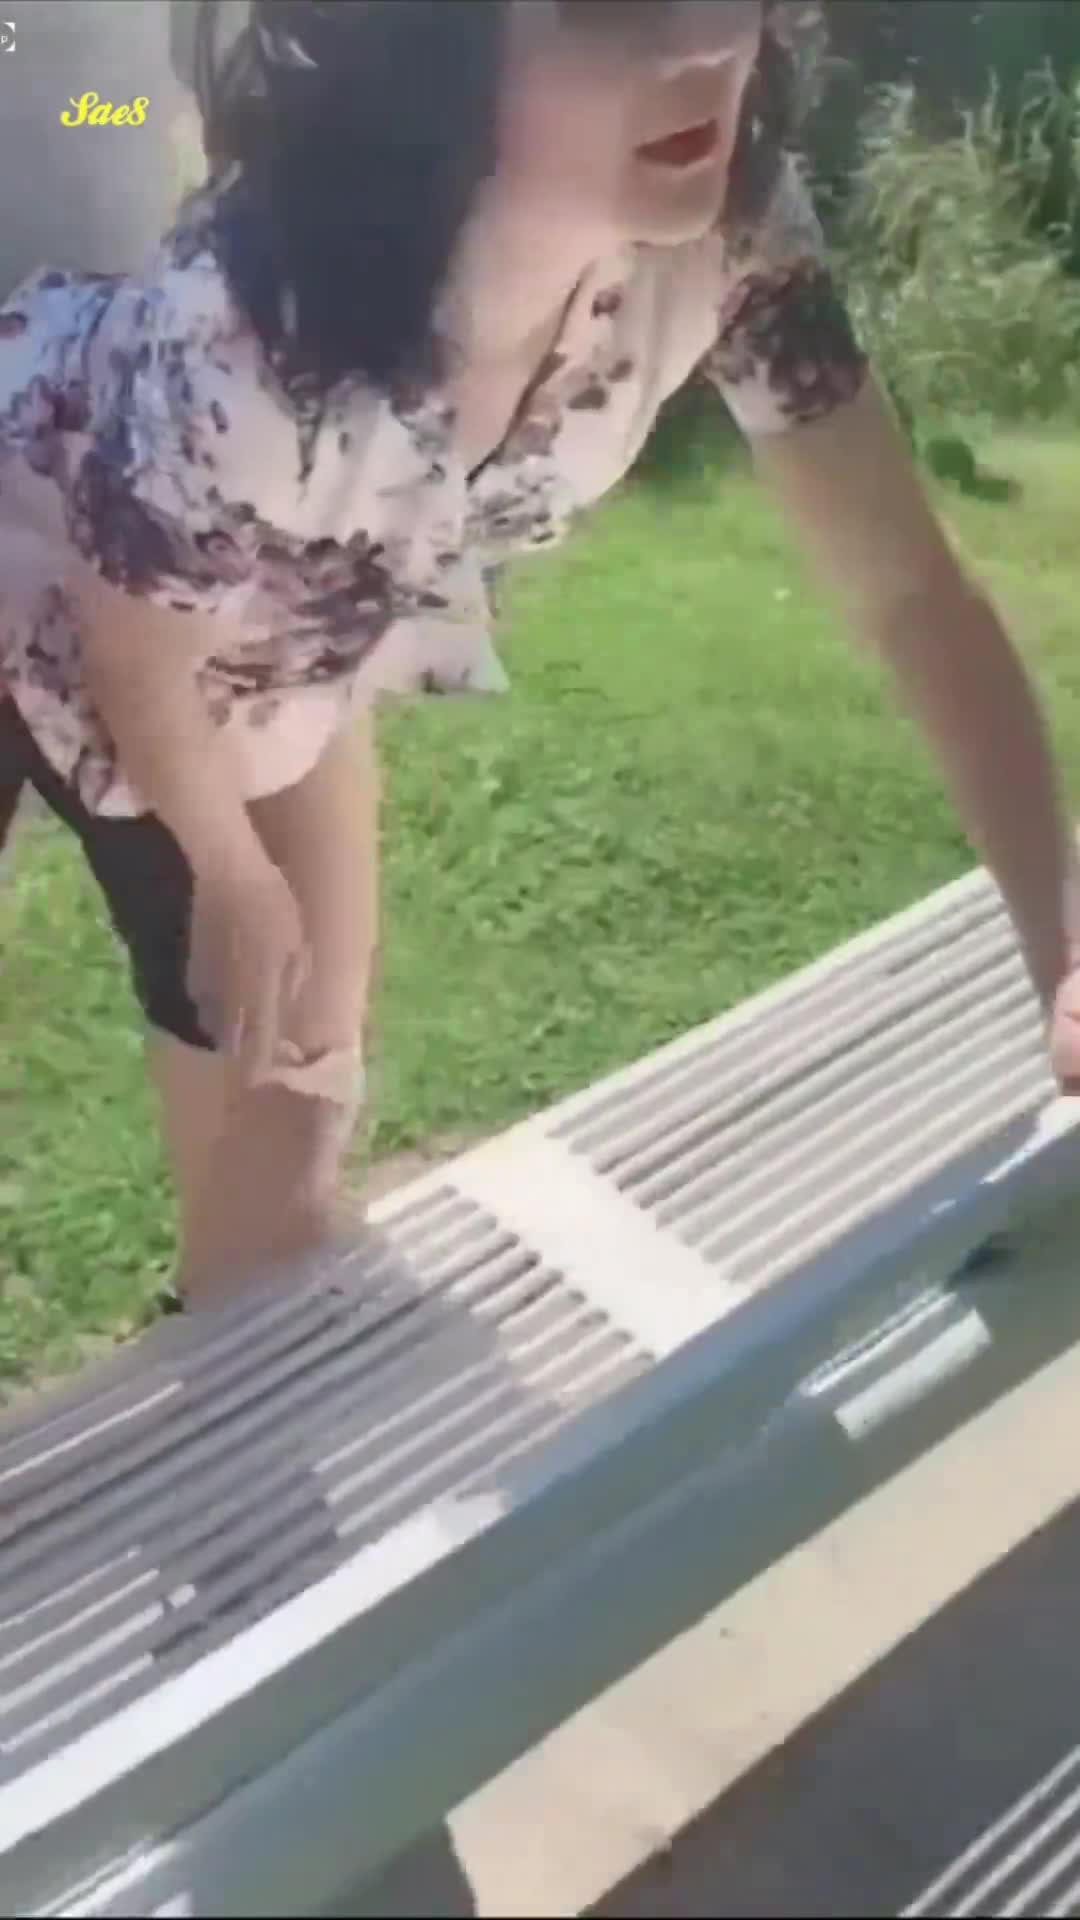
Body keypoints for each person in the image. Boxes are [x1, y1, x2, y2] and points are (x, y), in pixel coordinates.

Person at [2, 0, 1079, 1312]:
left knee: (280, 1191)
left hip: (256, 672)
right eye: (609, 3)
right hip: (48, 559)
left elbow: (910, 591)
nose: (704, 43)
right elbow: (126, 641)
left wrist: (1067, 952)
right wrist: (231, 872)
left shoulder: (728, 244)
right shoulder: (257, 311)